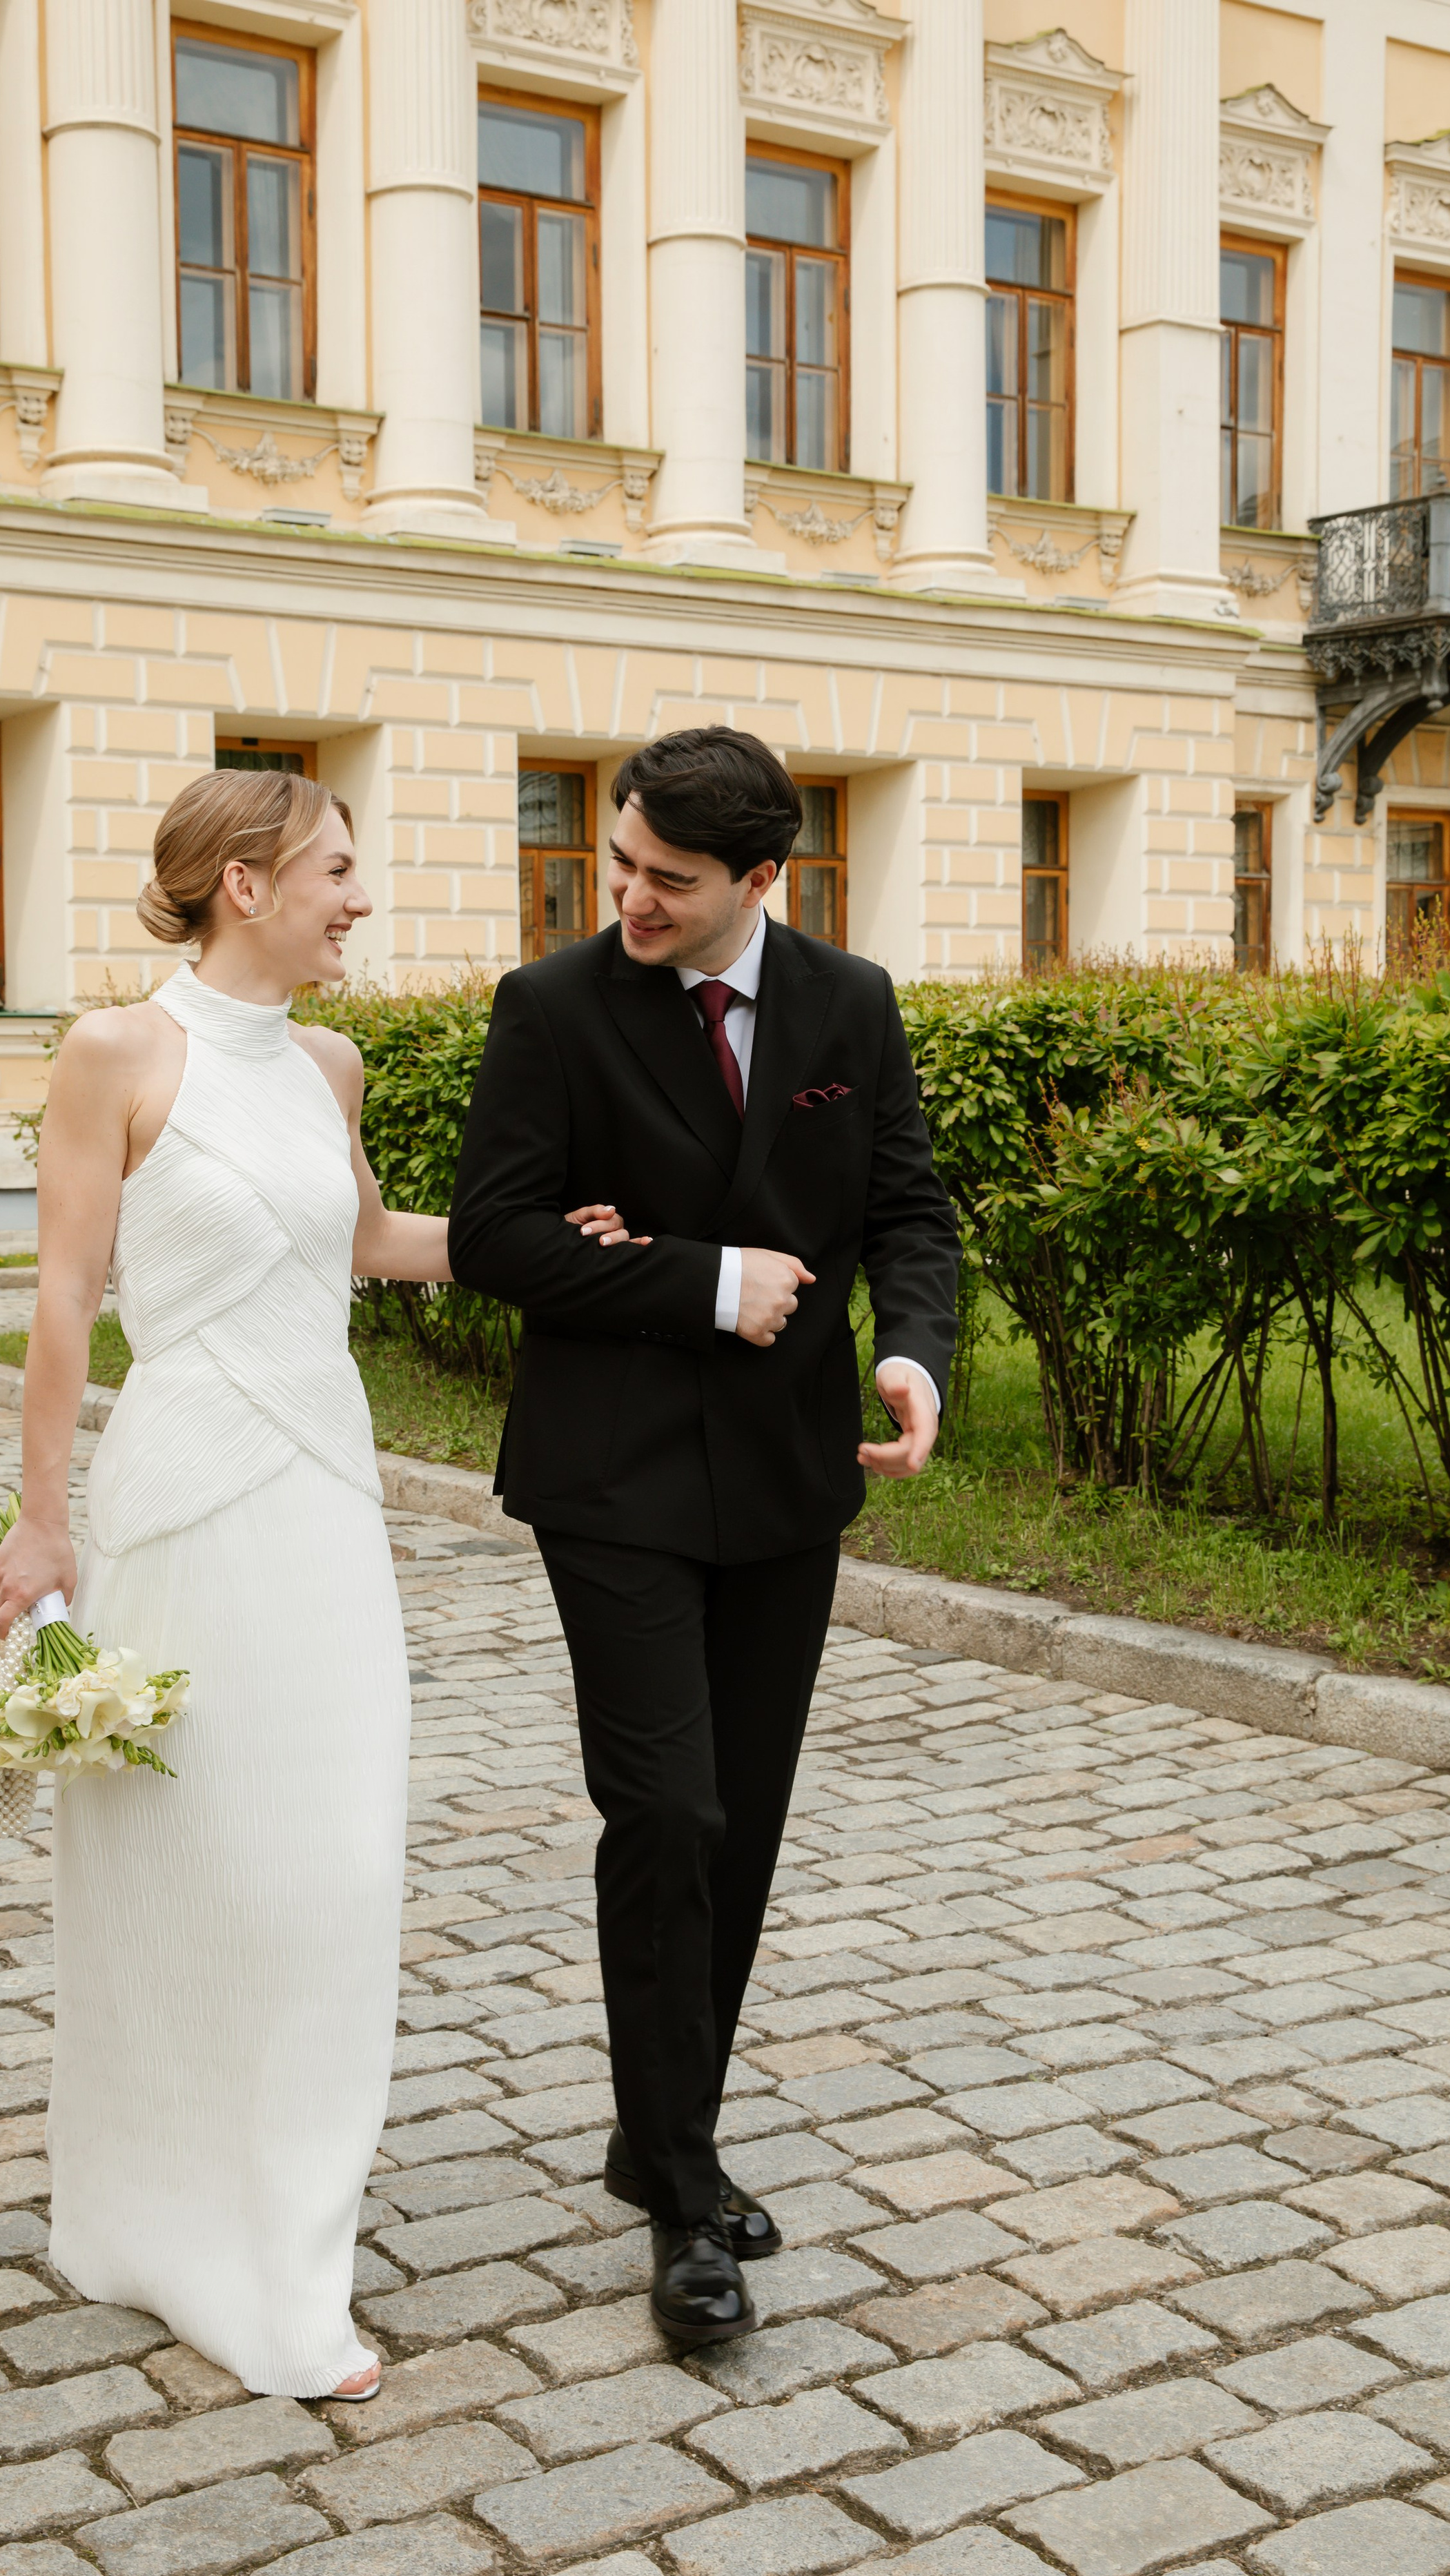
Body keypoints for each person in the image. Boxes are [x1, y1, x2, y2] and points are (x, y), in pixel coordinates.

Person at [448, 725, 960, 2345]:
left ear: (761, 878)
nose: (629, 901)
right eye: (618, 867)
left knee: (732, 1824)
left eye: (668, 881)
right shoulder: (552, 1008)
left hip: (790, 1477)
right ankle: (683, 2200)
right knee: (661, 1810)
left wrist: (910, 1349)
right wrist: (698, 1276)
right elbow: (491, 1235)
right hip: (609, 1476)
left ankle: (653, 2122)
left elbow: (904, 1211)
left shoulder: (848, 1004)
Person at [0, 769, 449, 2402]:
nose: (358, 897)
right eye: (336, 869)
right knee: (182, 1866)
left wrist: (558, 1244)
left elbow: (368, 1242)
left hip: (322, 1486)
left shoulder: (331, 1065)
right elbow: (61, 1302)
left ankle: (286, 2248)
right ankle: (159, 2225)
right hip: (182, 1488)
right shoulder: (118, 1053)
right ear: (242, 883)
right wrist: (40, 1528)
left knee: (332, 1868)